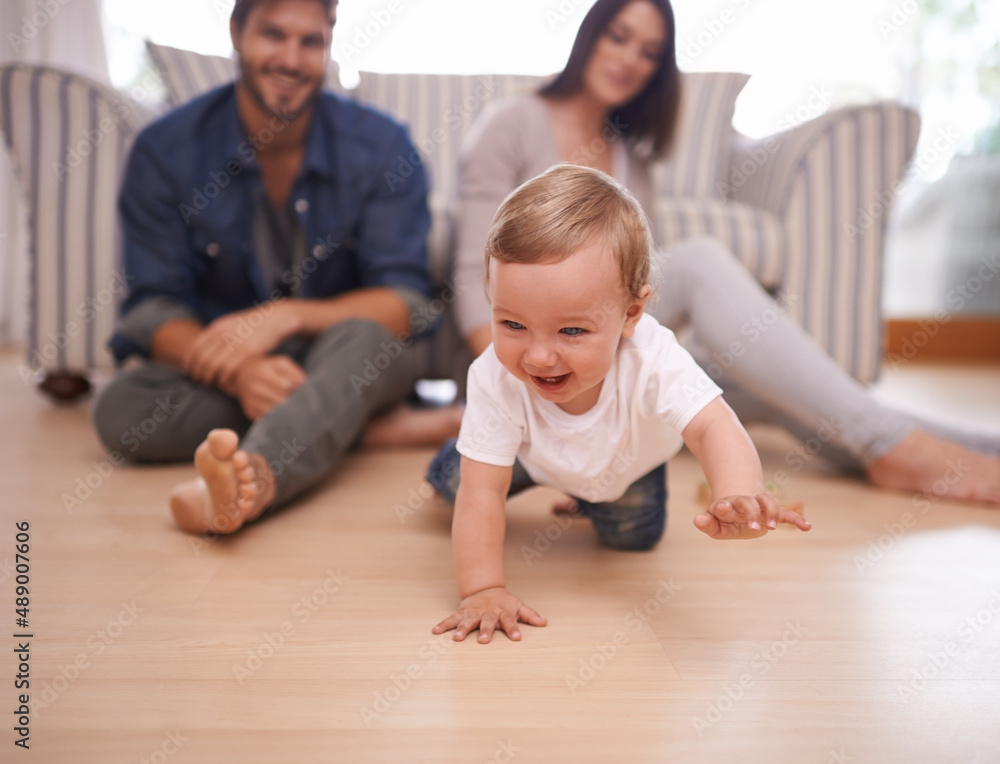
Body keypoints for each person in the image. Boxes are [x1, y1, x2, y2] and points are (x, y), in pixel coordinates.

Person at [451, 0, 1000, 507]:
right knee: (699, 261)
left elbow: (633, 287)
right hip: (526, 352)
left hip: (603, 350)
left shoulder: (631, 159)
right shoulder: (513, 122)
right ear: (589, 35)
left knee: (766, 388)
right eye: (619, 37)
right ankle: (896, 449)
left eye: (649, 53)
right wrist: (527, 379)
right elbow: (475, 273)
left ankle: (945, 447)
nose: (630, 60)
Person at [92, 0, 460, 535]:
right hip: (232, 371)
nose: (291, 58)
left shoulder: (383, 147)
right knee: (120, 410)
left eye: (310, 41)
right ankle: (355, 423)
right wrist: (241, 373)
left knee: (365, 338)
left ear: (329, 45)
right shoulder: (165, 151)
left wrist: (287, 316)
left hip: (345, 353)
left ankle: (255, 482)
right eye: (273, 35)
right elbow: (152, 307)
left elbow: (403, 303)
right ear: (237, 31)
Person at [428, 165, 812, 644]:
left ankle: (586, 498)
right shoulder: (493, 375)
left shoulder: (654, 357)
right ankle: (457, 451)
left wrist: (738, 491)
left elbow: (713, 426)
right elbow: (483, 493)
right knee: (458, 484)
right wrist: (483, 589)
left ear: (631, 314)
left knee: (634, 540)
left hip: (626, 466)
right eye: (512, 324)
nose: (539, 355)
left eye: (571, 331)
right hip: (528, 453)